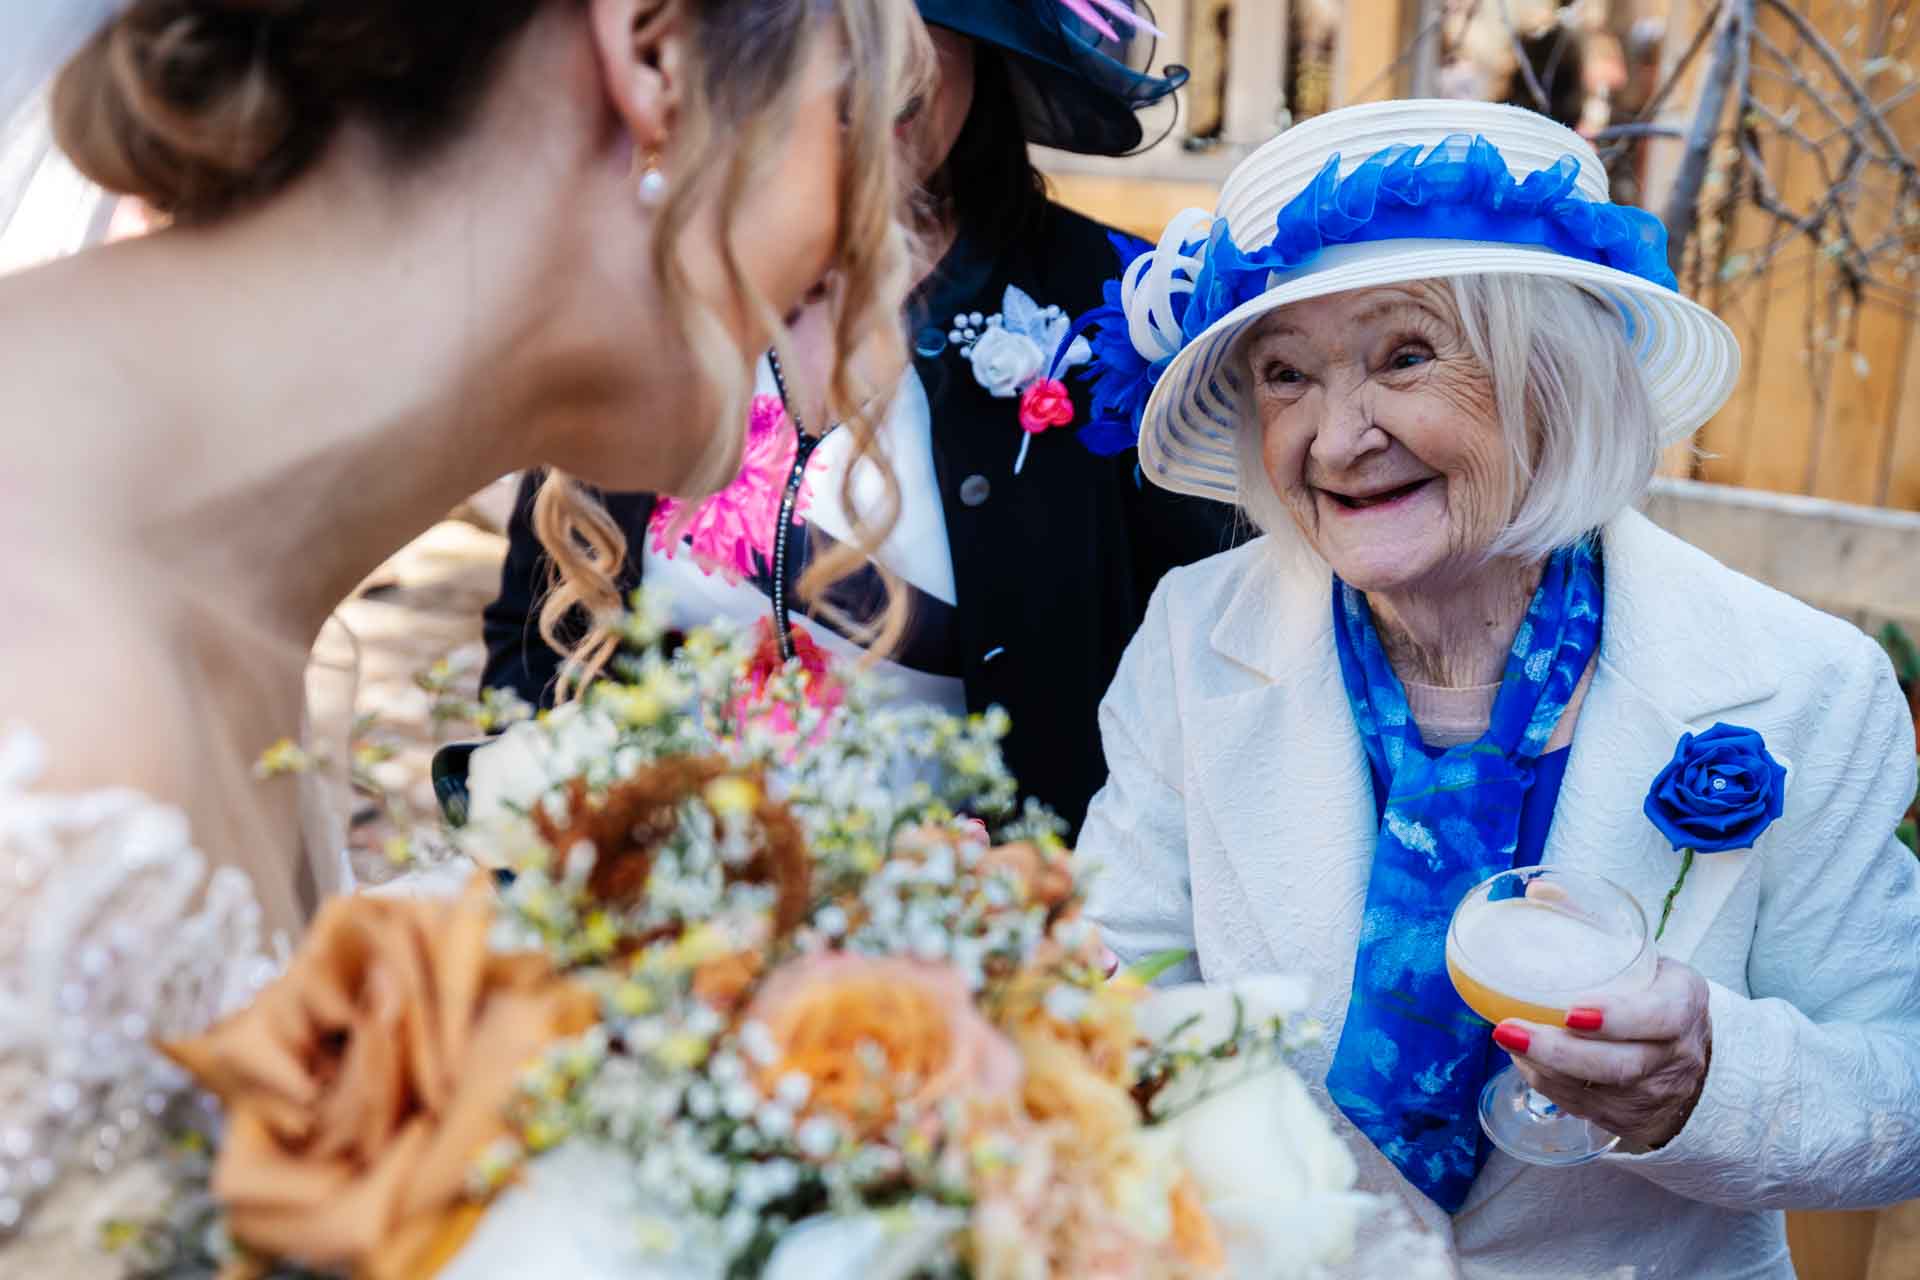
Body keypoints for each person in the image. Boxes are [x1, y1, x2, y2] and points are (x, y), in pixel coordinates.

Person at [0, 0, 924, 1268]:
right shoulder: (46, 693)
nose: (856, 363)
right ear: (651, 52)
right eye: (855, 129)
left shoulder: (224, 615)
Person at [1078, 98, 1920, 1275]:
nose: (1335, 439)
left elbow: (1902, 1090)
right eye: (1286, 375)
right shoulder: (1191, 635)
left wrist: (1702, 1077)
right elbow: (1131, 948)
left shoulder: (1804, 683)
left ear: (1551, 372)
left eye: (1404, 354)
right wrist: (1096, 1001)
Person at [481, 0, 1238, 838]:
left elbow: (1213, 664)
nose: (860, 76)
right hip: (664, 927)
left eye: (900, 36)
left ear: (982, 49)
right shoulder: (652, 287)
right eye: (822, 31)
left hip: (989, 930)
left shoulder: (1111, 312)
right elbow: (535, 634)